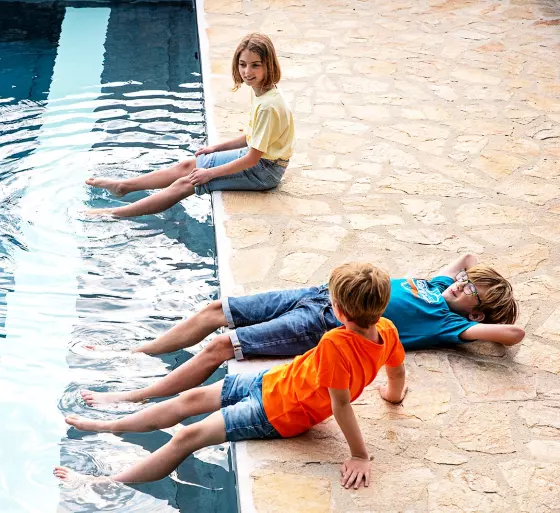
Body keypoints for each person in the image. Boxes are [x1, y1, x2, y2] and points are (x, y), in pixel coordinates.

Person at [55, 262, 406, 488]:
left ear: (338, 311)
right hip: (273, 382)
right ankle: (112, 425)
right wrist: (392, 395)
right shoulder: (388, 329)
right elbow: (396, 369)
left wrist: (359, 455)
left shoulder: (335, 343)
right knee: (190, 399)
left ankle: (103, 483)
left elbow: (340, 404)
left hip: (278, 412)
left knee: (188, 436)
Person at [80, 253, 523, 406]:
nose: (461, 284)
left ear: (476, 315)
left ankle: (136, 396)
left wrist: (490, 314)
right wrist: (475, 281)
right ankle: (137, 354)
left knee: (222, 345)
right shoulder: (444, 285)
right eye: (465, 281)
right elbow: (467, 257)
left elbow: (513, 335)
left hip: (325, 320)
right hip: (320, 292)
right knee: (217, 310)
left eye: (471, 291)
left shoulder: (450, 324)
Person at [84, 32, 294, 217]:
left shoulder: (268, 106)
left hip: (264, 172)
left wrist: (209, 173)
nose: (247, 71)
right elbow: (251, 137)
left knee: (187, 182)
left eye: (255, 65)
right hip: (258, 160)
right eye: (243, 64)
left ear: (268, 65)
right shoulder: (263, 92)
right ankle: (124, 186)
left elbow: (253, 158)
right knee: (187, 166)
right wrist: (214, 148)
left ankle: (113, 213)